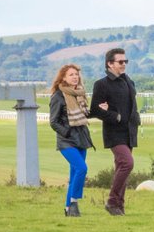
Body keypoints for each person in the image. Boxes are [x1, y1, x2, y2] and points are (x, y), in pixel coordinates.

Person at [48, 63, 110, 217]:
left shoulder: (80, 94)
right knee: (82, 169)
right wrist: (67, 132)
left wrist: (100, 109)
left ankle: (68, 209)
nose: (75, 77)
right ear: (63, 77)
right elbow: (53, 121)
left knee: (75, 172)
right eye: (71, 74)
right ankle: (74, 202)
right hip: (67, 141)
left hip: (81, 138)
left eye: (76, 74)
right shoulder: (58, 96)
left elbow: (85, 114)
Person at [89, 48, 140, 216]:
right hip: (114, 133)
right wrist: (115, 116)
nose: (124, 64)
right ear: (110, 64)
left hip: (129, 132)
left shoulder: (128, 81)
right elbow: (94, 110)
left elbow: (132, 105)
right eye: (120, 62)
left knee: (121, 167)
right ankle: (112, 201)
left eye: (126, 61)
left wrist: (136, 120)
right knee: (127, 163)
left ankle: (119, 206)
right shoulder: (101, 84)